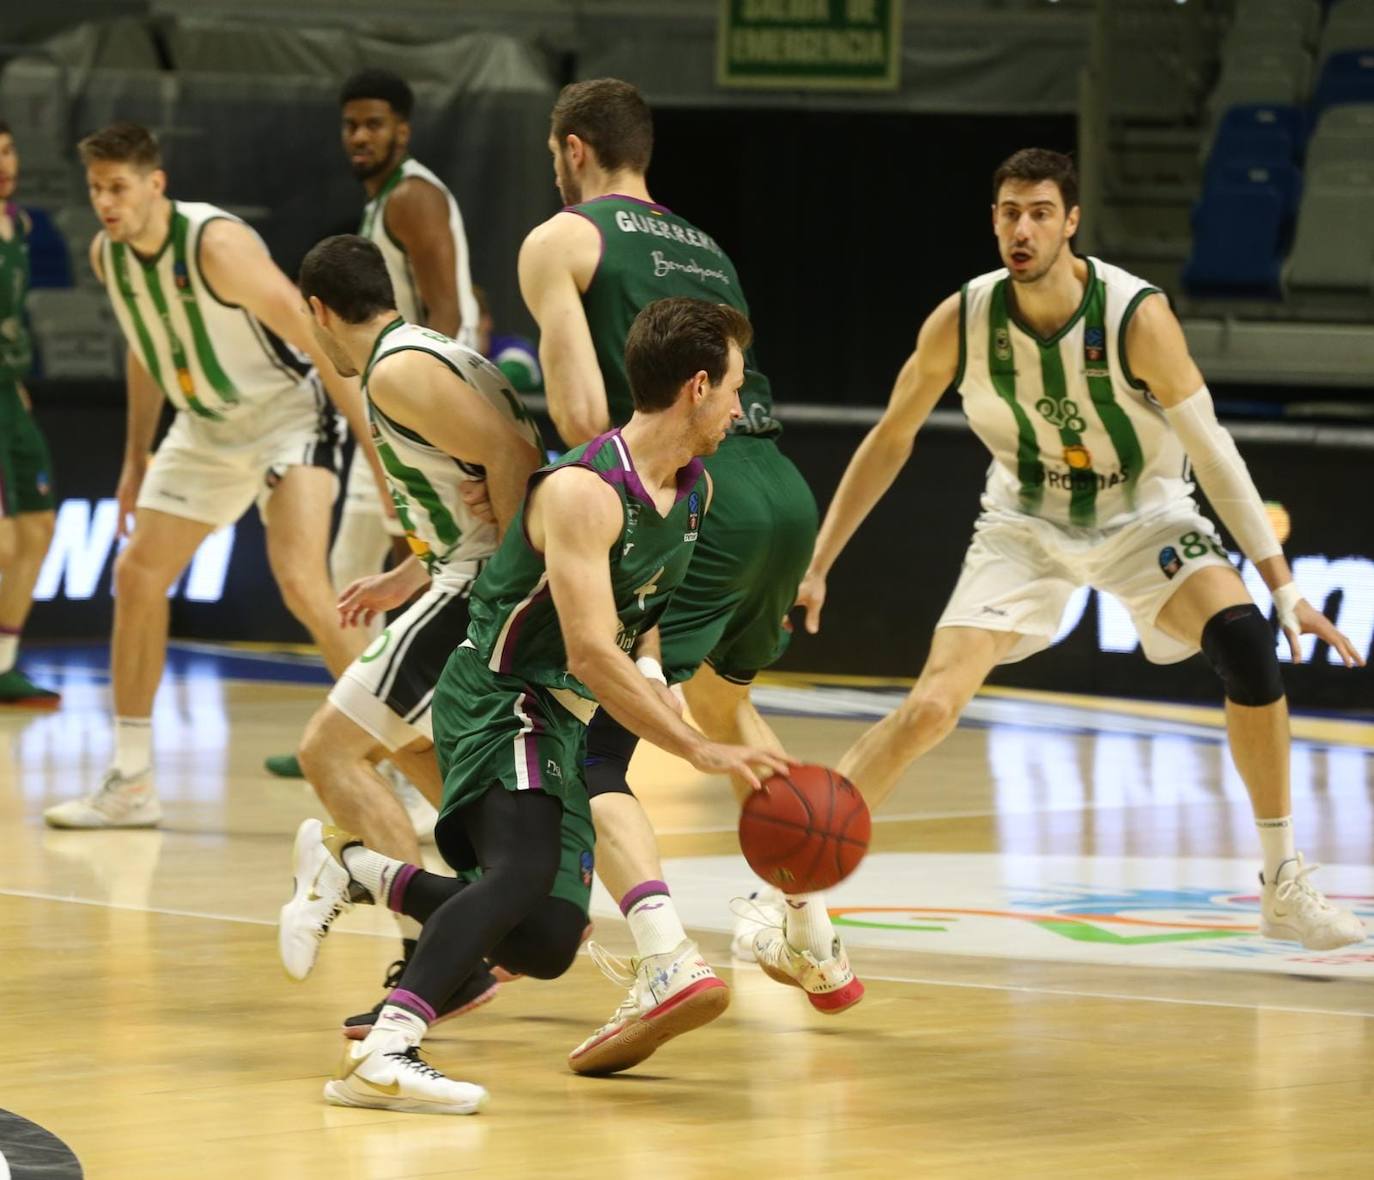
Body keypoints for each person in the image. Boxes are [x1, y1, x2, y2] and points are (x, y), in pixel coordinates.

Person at [799, 147, 1367, 951]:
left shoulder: (1135, 316)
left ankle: (1283, 880)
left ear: (1071, 223)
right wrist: (820, 563)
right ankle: (790, 886)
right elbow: (891, 439)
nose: (1021, 229)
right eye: (1007, 213)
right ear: (993, 223)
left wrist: (1280, 587)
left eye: (1038, 213)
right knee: (929, 708)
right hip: (1024, 527)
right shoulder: (963, 317)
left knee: (1245, 639)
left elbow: (1212, 451)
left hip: (1146, 518)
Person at [279, 296, 790, 1114]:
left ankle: (352, 868)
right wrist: (697, 747)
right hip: (501, 693)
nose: (742, 404)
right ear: (698, 386)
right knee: (515, 873)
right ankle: (383, 1055)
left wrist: (654, 671)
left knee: (547, 939)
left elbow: (641, 613)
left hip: (561, 714)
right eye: (734, 386)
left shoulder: (693, 492)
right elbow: (589, 647)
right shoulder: (586, 490)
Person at [516, 79, 858, 1063]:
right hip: (781, 489)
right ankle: (812, 936)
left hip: (696, 495)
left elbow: (586, 413)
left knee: (589, 743)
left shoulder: (563, 238)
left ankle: (663, 953)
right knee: (722, 715)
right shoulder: (706, 246)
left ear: (573, 151)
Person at [42, 121, 376, 829]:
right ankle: (130, 782)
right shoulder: (110, 255)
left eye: (119, 187)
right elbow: (145, 349)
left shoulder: (215, 246)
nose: (107, 201)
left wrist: (378, 447)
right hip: (203, 428)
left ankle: (401, 755)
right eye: (97, 188)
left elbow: (313, 335)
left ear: (155, 184)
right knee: (135, 576)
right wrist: (135, 457)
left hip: (287, 413)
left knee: (302, 583)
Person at [295, 233, 544, 1035]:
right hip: (454, 571)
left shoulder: (397, 371)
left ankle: (444, 959)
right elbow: (469, 468)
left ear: (320, 312)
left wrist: (508, 573)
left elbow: (513, 452)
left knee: (328, 751)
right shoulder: (426, 349)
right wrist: (406, 575)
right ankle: (494, 914)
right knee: (411, 749)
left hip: (479, 582)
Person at [324, 68, 481, 627]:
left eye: (374, 124)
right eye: (351, 126)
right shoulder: (384, 200)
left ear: (403, 132)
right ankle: (389, 706)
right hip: (401, 395)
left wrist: (425, 412)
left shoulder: (412, 196)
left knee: (400, 567)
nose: (361, 136)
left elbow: (449, 310)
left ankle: (406, 702)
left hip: (420, 400)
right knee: (371, 570)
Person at [0, 120, 60, 706]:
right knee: (4, 543)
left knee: (37, 527)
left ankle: (4, 663)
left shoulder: (18, 224)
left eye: (9, 149)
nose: (4, 162)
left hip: (9, 392)